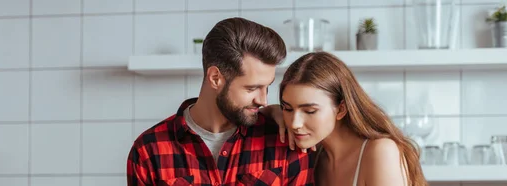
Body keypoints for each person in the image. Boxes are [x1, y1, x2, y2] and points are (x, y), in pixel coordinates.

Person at [126, 17, 315, 186]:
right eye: (251, 88)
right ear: (215, 78)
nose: (263, 100)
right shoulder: (148, 150)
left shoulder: (284, 143)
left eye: (267, 87)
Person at [261, 51, 427, 186]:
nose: (295, 124)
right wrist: (274, 112)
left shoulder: (380, 152)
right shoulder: (313, 154)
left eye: (310, 111)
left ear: (341, 109)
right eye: (288, 108)